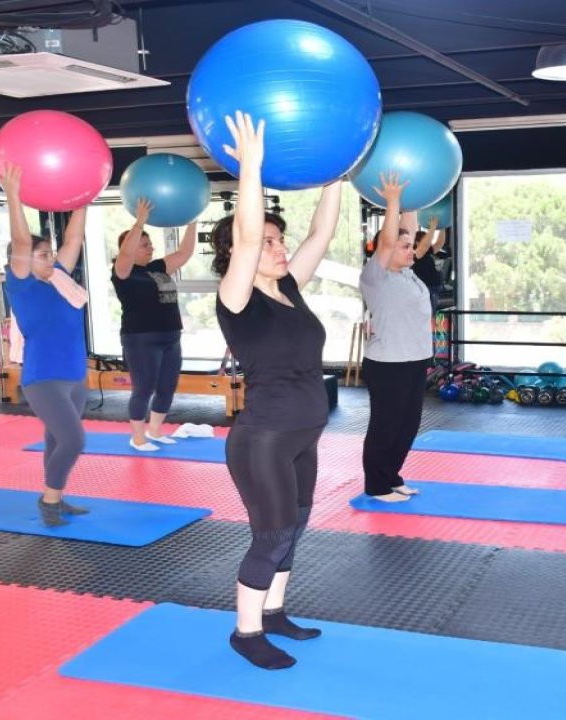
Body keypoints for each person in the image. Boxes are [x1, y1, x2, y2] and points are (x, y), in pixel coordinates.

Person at [211, 111, 342, 670]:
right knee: (271, 534)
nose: (278, 246)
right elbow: (244, 236)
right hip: (263, 438)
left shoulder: (290, 288)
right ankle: (245, 632)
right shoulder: (237, 296)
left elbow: (322, 232)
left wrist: (338, 170)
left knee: (297, 526)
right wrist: (252, 167)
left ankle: (274, 612)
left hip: (304, 434)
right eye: (269, 241)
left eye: (278, 239)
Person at [0, 163, 93, 527]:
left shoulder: (60, 279)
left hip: (75, 376)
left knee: (57, 439)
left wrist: (83, 200)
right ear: (21, 261)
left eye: (49, 253)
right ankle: (49, 501)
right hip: (43, 378)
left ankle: (57, 494)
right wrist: (12, 195)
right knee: (73, 440)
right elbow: (22, 242)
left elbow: (73, 241)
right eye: (42, 255)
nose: (50, 257)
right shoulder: (22, 284)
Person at [111, 199, 210, 450]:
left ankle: (155, 431)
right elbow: (125, 253)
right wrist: (140, 221)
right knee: (143, 389)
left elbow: (185, 253)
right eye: (144, 244)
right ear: (130, 247)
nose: (150, 247)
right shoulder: (122, 271)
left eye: (150, 243)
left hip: (170, 335)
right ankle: (138, 437)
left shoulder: (157, 267)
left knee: (167, 387)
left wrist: (192, 220)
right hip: (141, 338)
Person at [359, 173, 433, 502]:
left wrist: (410, 200)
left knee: (407, 426)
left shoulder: (406, 273)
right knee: (386, 427)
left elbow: (408, 233)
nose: (411, 250)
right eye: (405, 247)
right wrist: (391, 202)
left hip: (414, 360)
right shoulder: (376, 276)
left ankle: (392, 476)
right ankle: (376, 485)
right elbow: (388, 243)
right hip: (388, 364)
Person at [411, 213, 447, 313]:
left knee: (431, 314)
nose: (429, 241)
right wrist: (433, 227)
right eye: (425, 239)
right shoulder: (416, 254)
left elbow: (440, 243)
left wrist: (442, 227)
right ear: (417, 242)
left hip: (433, 289)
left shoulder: (426, 252)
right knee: (428, 314)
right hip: (427, 290)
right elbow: (425, 245)